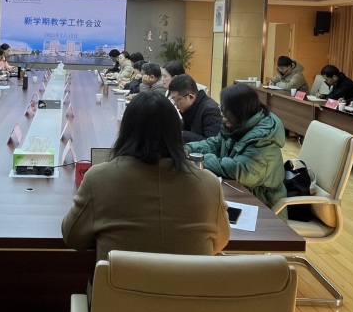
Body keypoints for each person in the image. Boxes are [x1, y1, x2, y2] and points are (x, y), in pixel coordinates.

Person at [61, 91, 229, 263]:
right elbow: (221, 242)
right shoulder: (208, 183)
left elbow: (73, 238)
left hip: (120, 281)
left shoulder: (98, 178)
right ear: (177, 132)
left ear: (126, 130)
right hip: (191, 281)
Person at [186, 83, 286, 212]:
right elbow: (215, 143)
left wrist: (201, 159)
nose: (221, 114)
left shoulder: (263, 140)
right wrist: (188, 149)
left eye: (224, 110)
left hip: (263, 206)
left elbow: (241, 170)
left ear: (239, 111)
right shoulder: (237, 126)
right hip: (240, 192)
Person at [168, 74, 222, 142]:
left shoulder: (211, 111)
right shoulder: (189, 108)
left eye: (176, 100)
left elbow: (212, 144)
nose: (175, 104)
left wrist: (183, 134)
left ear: (191, 97)